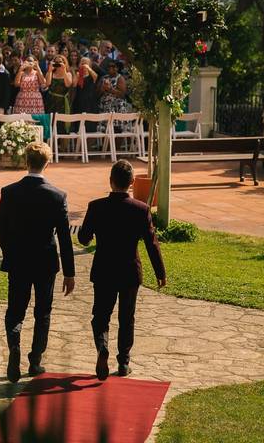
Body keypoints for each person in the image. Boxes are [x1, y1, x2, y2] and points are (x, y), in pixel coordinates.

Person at [77, 160, 166, 380]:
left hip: (104, 269)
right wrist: (160, 272)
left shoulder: (96, 206)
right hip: (129, 270)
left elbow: (83, 238)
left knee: (100, 315)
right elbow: (151, 243)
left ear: (110, 181)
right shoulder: (141, 209)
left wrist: (90, 232)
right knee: (127, 317)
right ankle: (124, 362)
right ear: (132, 183)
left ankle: (102, 347)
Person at [0, 141, 75, 383]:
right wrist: (70, 273)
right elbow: (64, 237)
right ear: (47, 164)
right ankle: (35, 360)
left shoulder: (9, 192)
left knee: (15, 310)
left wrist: (9, 252)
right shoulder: (57, 196)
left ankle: (14, 346)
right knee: (43, 311)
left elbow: (1, 230)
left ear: (26, 162)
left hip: (18, 259)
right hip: (45, 261)